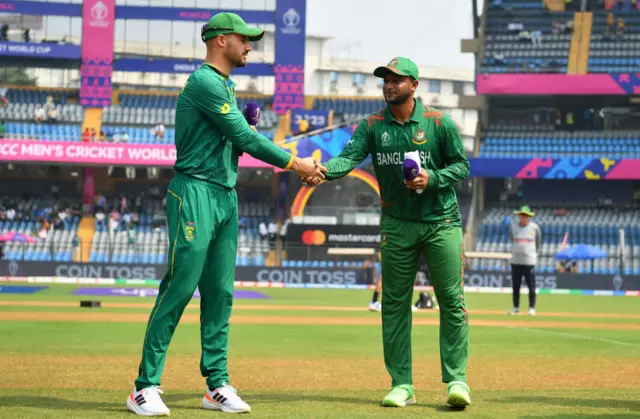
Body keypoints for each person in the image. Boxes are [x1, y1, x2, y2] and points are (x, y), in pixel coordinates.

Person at [126, 12, 325, 417]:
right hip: (194, 192)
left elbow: (234, 142)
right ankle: (144, 387)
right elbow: (245, 138)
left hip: (224, 195)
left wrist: (254, 140)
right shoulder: (204, 82)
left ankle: (216, 384)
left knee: (221, 293)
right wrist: (296, 163)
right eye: (244, 39)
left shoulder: (227, 88)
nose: (250, 45)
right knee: (180, 287)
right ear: (220, 40)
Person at [302, 57, 471, 409]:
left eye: (396, 79)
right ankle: (402, 384)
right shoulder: (372, 125)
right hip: (396, 223)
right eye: (385, 80)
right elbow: (347, 158)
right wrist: (322, 170)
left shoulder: (439, 123)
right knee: (394, 305)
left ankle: (457, 380)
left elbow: (461, 166)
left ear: (414, 85)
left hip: (441, 221)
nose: (389, 85)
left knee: (452, 301)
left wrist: (433, 179)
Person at [508, 206, 541, 316]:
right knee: (515, 286)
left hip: (529, 262)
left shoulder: (534, 228)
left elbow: (538, 242)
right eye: (521, 215)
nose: (523, 217)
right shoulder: (513, 227)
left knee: (531, 286)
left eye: (525, 215)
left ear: (528, 217)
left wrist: (532, 253)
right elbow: (512, 239)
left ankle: (532, 308)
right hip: (516, 261)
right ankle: (516, 307)